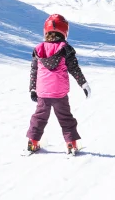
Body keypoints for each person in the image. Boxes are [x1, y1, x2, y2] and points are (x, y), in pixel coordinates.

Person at [26, 13, 91, 154]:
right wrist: (83, 84)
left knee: (39, 117)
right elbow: (74, 68)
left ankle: (32, 142)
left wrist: (32, 89)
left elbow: (34, 70)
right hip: (59, 93)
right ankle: (71, 144)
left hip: (42, 93)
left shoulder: (38, 49)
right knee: (65, 117)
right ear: (65, 31)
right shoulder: (65, 48)